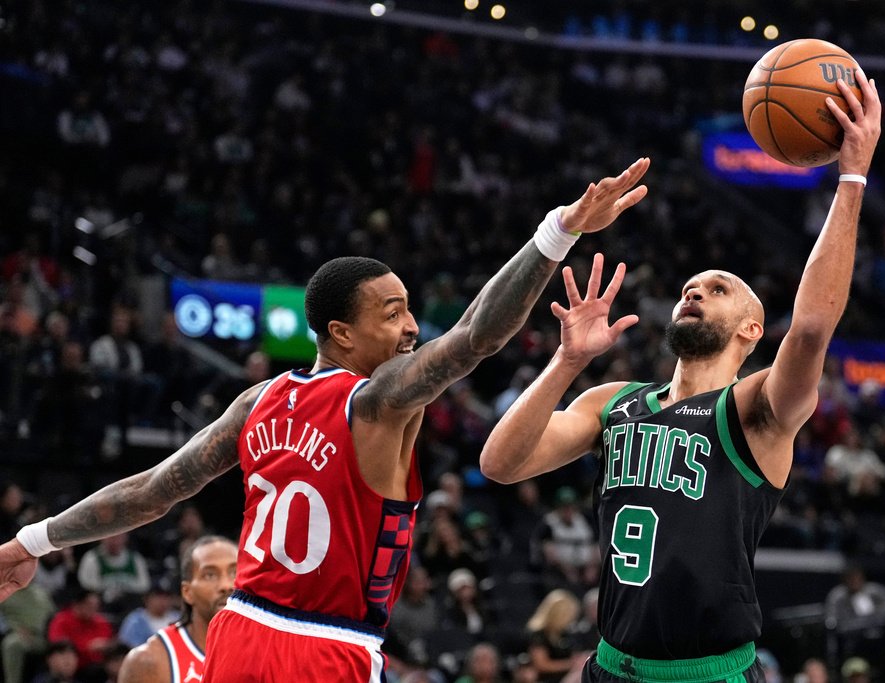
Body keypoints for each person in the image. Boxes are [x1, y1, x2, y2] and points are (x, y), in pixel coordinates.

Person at [0, 159, 650, 683]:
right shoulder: (377, 400)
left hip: (239, 636)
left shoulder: (257, 401)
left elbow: (151, 491)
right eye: (393, 313)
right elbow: (475, 337)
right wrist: (558, 231)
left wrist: (30, 542)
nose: (410, 326)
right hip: (327, 647)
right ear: (342, 332)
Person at [480, 72, 880, 683]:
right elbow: (500, 465)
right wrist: (566, 363)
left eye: (719, 289)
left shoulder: (755, 410)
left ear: (751, 329)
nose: (695, 289)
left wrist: (850, 178)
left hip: (710, 672)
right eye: (692, 286)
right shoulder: (614, 401)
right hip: (610, 668)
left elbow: (809, 331)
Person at [118, 536, 237, 683]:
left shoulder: (266, 650)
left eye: (234, 573)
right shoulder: (149, 661)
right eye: (210, 575)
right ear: (187, 592)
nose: (227, 585)